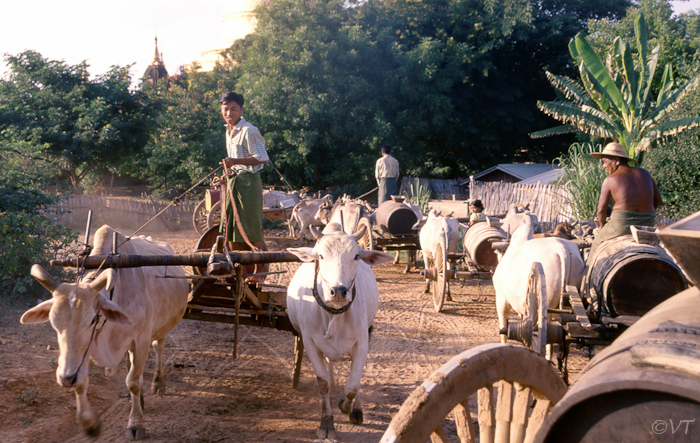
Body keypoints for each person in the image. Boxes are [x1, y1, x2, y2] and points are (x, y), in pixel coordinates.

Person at [218, 91, 269, 282]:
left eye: (233, 109)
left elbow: (262, 157)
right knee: (230, 227)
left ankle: (259, 272)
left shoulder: (249, 130)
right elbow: (233, 163)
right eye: (226, 109)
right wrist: (226, 173)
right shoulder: (228, 130)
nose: (229, 113)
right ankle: (235, 269)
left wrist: (235, 161)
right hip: (234, 181)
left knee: (251, 228)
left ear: (241, 110)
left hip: (249, 182)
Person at [586, 142, 662, 264]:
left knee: (596, 243)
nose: (603, 166)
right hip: (647, 222)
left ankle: (587, 276)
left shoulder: (610, 180)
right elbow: (658, 200)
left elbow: (601, 210)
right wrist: (646, 214)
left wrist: (601, 226)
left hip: (621, 224)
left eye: (605, 162)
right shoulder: (645, 173)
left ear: (616, 160)